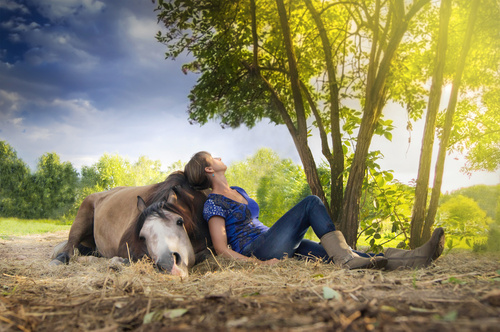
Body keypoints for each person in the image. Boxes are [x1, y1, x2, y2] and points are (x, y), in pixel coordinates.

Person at [184, 151, 445, 270]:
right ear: (209, 169)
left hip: (272, 239)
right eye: (213, 157)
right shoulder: (213, 203)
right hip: (259, 249)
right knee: (311, 202)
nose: (218, 157)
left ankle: (416, 258)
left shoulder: (239, 191)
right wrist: (258, 264)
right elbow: (221, 249)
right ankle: (348, 260)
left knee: (341, 255)